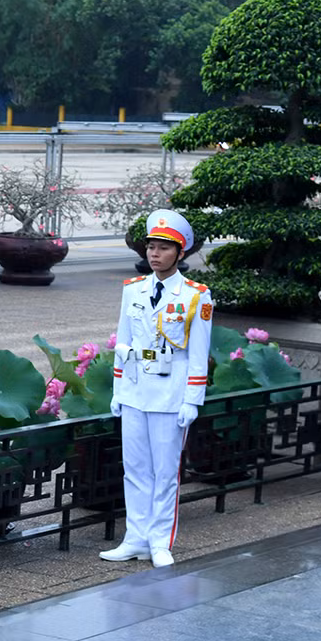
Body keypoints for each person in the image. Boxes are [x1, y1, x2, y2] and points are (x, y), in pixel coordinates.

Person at [101, 208, 212, 570]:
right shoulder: (133, 290)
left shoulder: (196, 296)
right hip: (135, 390)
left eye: (164, 248)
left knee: (165, 473)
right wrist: (118, 390)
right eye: (151, 247)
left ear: (180, 253)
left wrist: (192, 400)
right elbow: (124, 342)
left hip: (170, 394)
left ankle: (159, 541)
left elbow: (198, 354)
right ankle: (135, 538)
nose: (155, 254)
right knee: (134, 469)